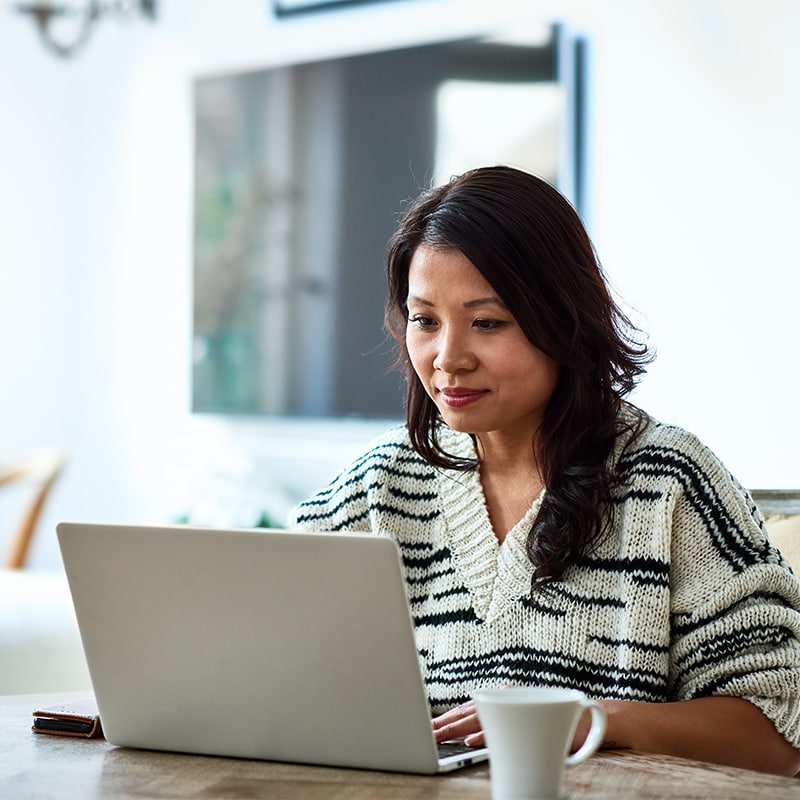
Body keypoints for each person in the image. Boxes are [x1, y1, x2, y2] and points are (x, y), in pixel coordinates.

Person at [290, 165, 800, 775]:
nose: (448, 358)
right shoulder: (379, 485)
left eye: (488, 322)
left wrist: (590, 720)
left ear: (562, 319)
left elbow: (778, 728)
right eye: (425, 320)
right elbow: (270, 664)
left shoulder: (670, 481)